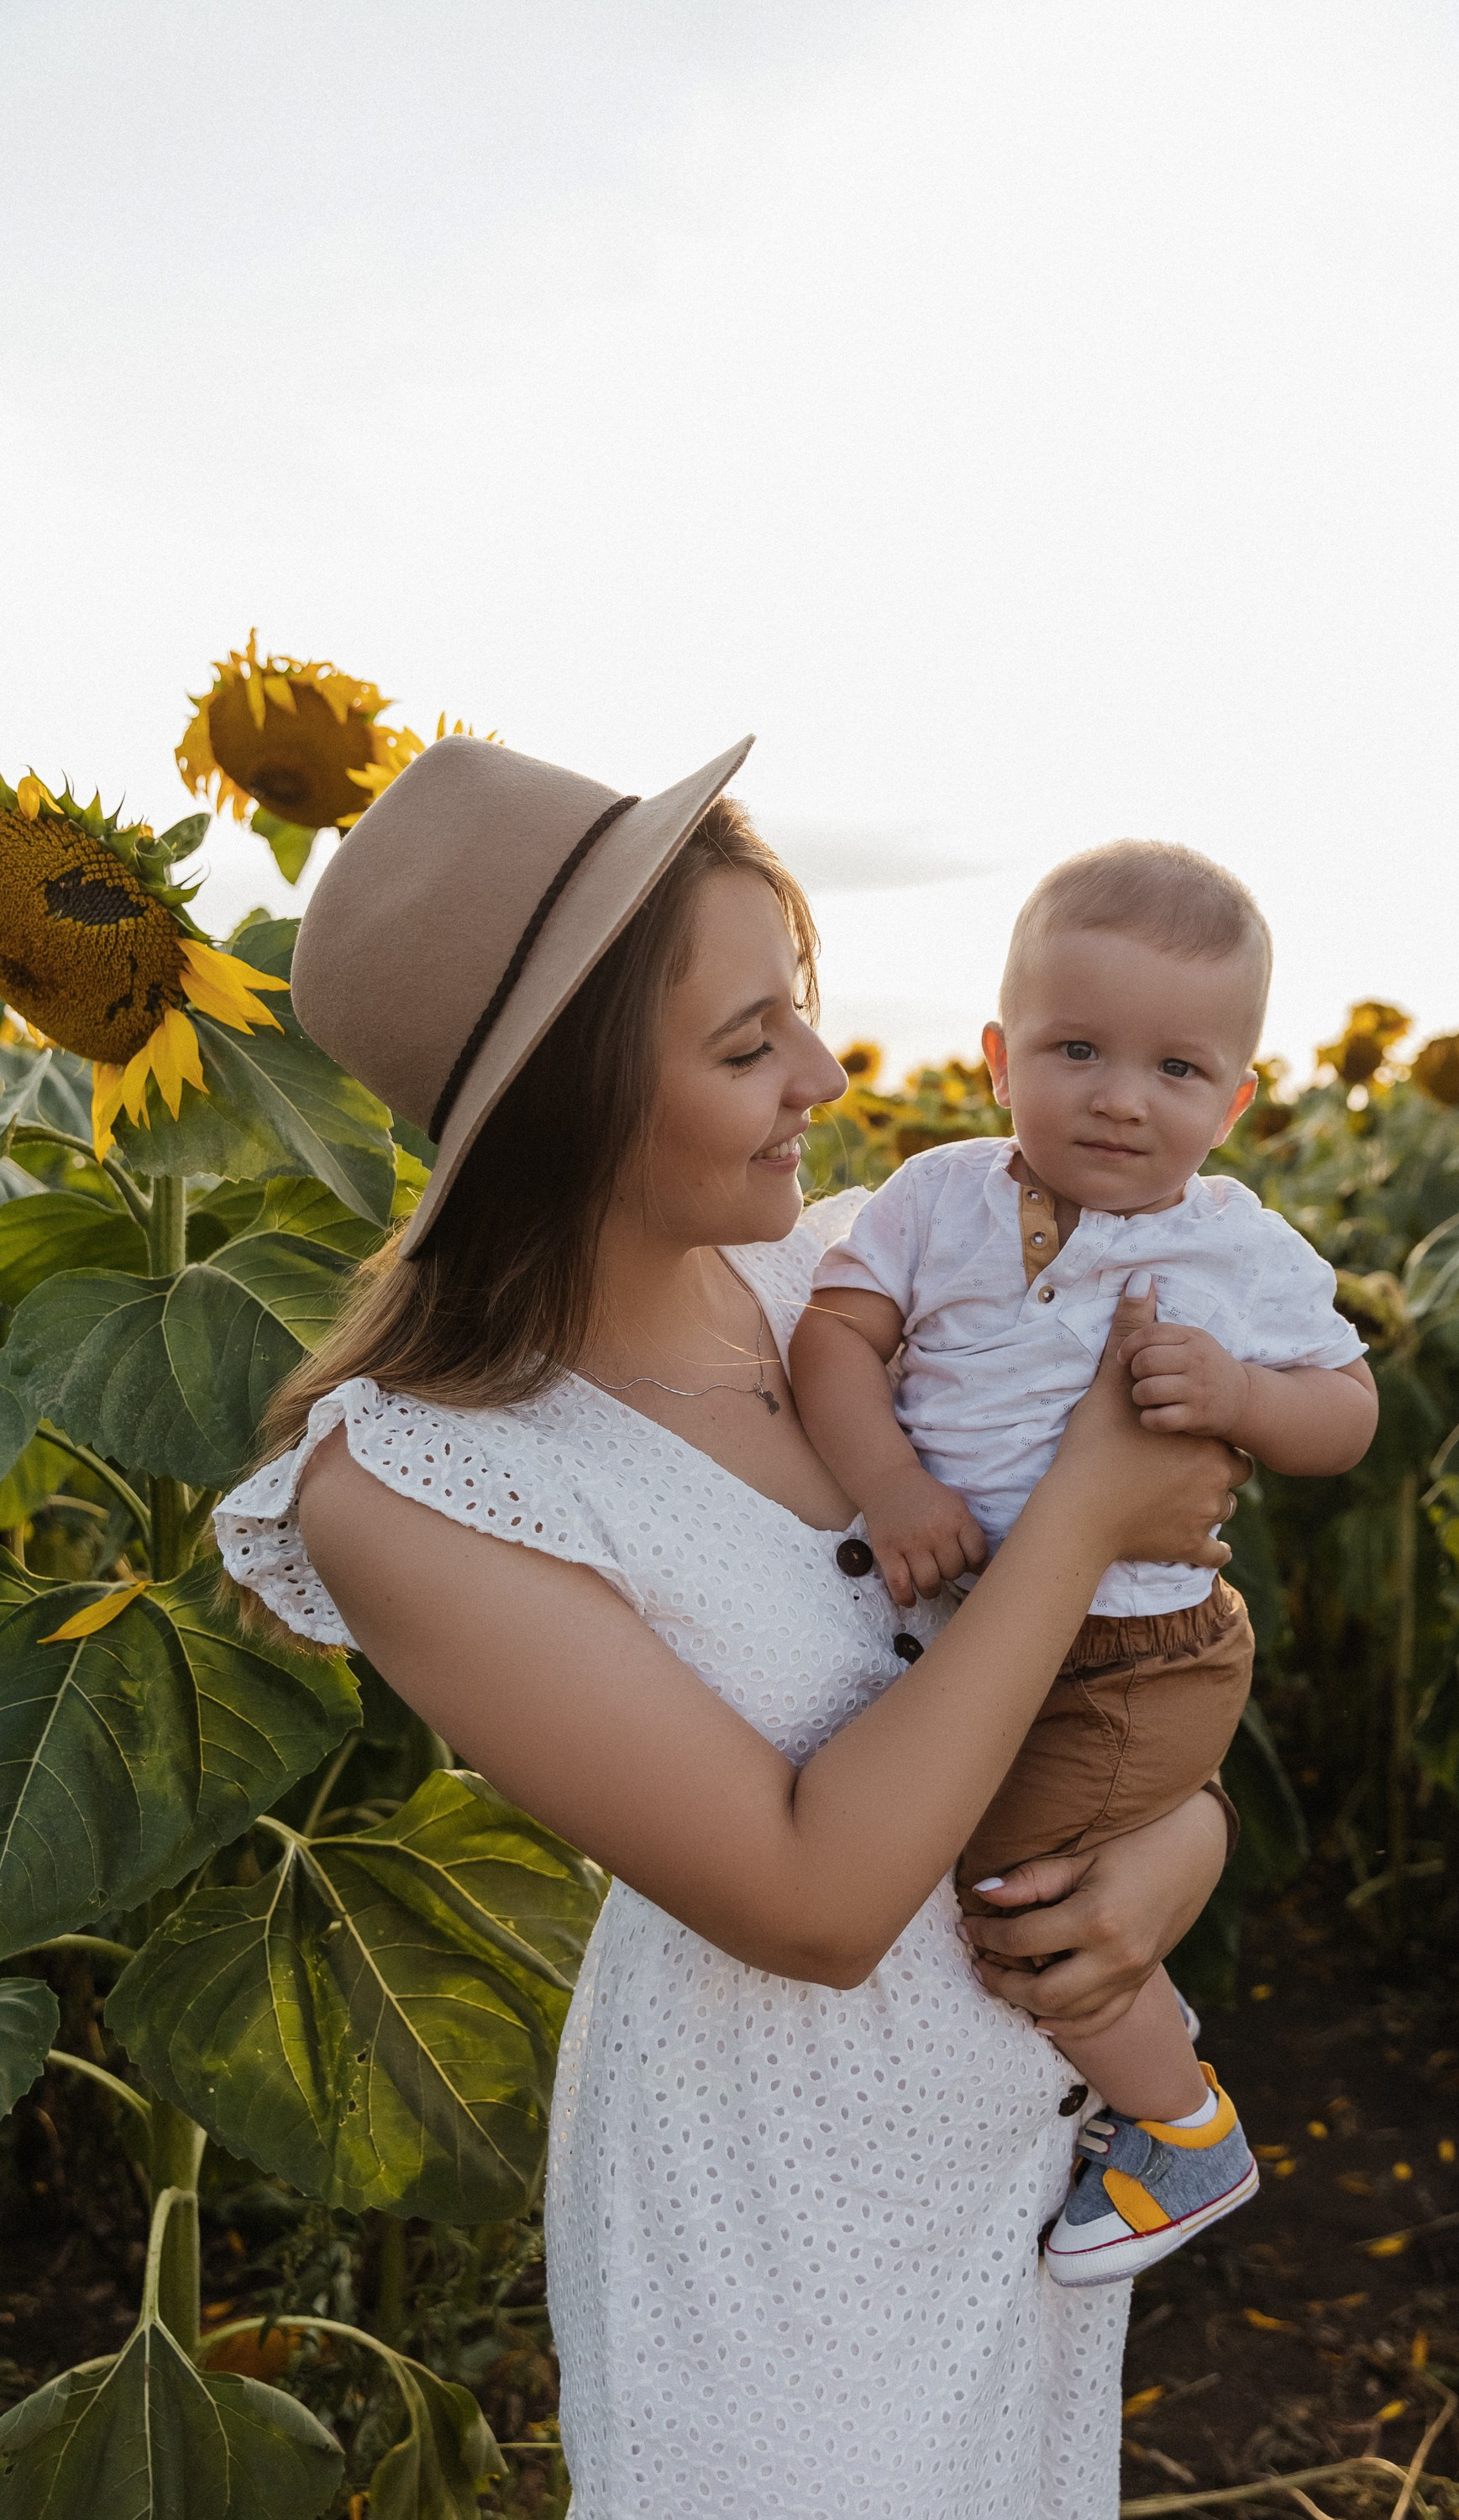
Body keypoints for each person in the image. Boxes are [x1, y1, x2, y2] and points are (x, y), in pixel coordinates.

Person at [215, 735, 1248, 2520]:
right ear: (567, 1104)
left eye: (799, 1010)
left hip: (1014, 2155)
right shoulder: (416, 1483)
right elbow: (814, 1901)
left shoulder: (854, 1281)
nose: (826, 1078)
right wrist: (1081, 1510)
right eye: (744, 1043)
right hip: (771, 2214)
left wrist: (1178, 1845)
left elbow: (1153, 1639)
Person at [790, 841, 1378, 2286]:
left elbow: (1348, 1415)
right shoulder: (933, 1200)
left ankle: (1184, 2125)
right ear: (996, 1058)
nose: (1122, 1095)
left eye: (1178, 1069)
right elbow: (835, 1341)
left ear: (1236, 1101)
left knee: (1010, 1881)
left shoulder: (1237, 1249)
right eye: (1076, 1048)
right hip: (993, 1631)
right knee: (1010, 1860)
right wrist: (894, 1481)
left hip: (1140, 1653)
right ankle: (1129, 2083)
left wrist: (1240, 1396)